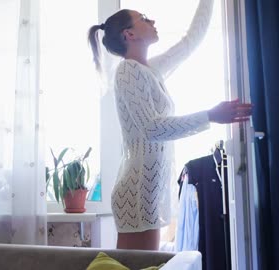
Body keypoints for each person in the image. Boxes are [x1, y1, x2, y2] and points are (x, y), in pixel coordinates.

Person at [88, 0, 253, 250]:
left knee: (145, 266)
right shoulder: (127, 72)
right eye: (143, 18)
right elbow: (153, 129)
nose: (152, 21)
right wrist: (210, 115)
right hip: (137, 191)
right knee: (138, 267)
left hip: (147, 190)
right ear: (129, 34)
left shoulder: (148, 69)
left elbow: (190, 42)